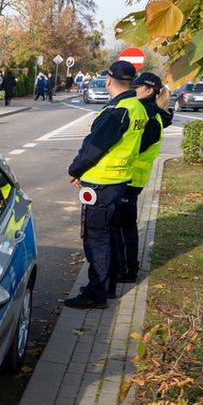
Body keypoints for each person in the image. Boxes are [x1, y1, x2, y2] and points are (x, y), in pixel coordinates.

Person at [64, 60, 149, 309]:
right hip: (119, 180)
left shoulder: (118, 110)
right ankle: (107, 286)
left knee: (96, 240)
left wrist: (75, 169)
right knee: (110, 237)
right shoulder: (137, 107)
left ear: (109, 80)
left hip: (102, 183)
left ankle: (97, 293)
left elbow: (95, 147)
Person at [116, 72, 172, 284]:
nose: (133, 90)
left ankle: (126, 270)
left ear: (148, 90)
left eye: (137, 87)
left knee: (123, 228)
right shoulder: (150, 113)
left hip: (128, 178)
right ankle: (127, 268)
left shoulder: (149, 117)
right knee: (126, 226)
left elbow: (135, 147)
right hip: (131, 178)